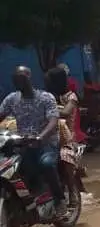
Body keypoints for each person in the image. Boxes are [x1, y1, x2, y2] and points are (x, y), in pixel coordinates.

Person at [0, 66, 67, 217]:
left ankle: (59, 200)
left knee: (46, 164)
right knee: (10, 168)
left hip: (46, 144)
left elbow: (53, 121)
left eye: (22, 78)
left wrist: (40, 137)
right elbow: (1, 115)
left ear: (29, 78)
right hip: (23, 145)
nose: (19, 82)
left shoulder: (46, 97)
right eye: (16, 80)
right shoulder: (12, 99)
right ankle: (27, 200)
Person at [44, 67, 80, 203]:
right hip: (49, 137)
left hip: (66, 138)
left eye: (49, 82)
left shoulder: (71, 97)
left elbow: (65, 112)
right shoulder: (50, 97)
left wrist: (47, 112)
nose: (46, 85)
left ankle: (72, 192)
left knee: (65, 157)